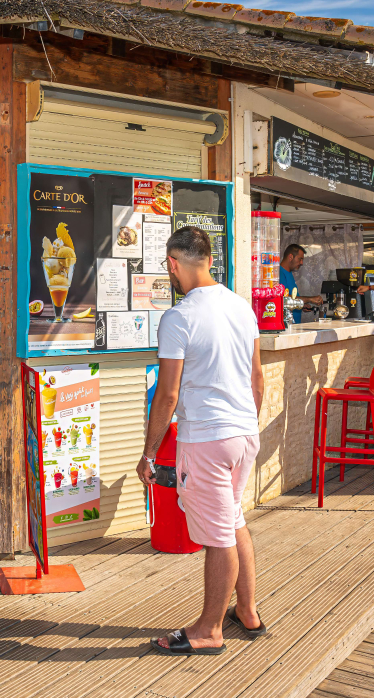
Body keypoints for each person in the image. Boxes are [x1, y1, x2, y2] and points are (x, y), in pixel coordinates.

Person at [138, 226, 264, 656]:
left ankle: (209, 630)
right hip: (244, 433)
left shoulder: (179, 317)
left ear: (174, 263)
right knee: (233, 520)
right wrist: (247, 423)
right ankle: (246, 611)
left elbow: (168, 394)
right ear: (209, 259)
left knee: (217, 537)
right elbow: (256, 376)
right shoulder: (242, 307)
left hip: (208, 439)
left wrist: (149, 452)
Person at [275, 243, 323, 309]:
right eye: (300, 259)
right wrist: (309, 299)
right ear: (290, 257)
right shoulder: (278, 274)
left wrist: (301, 306)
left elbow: (292, 299)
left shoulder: (289, 273)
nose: (301, 263)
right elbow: (283, 298)